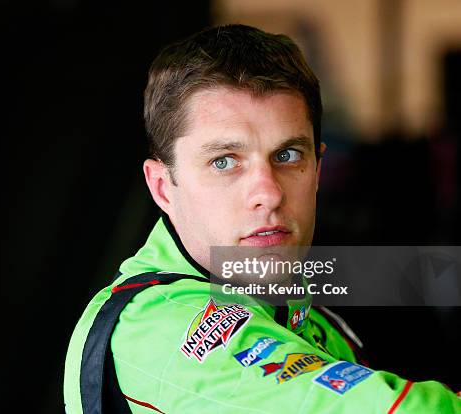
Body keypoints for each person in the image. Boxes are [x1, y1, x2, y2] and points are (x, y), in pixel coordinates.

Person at [64, 24, 460, 413]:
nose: (268, 194)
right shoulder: (157, 323)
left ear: (318, 171)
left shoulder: (313, 320)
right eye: (224, 162)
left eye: (287, 156)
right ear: (163, 187)